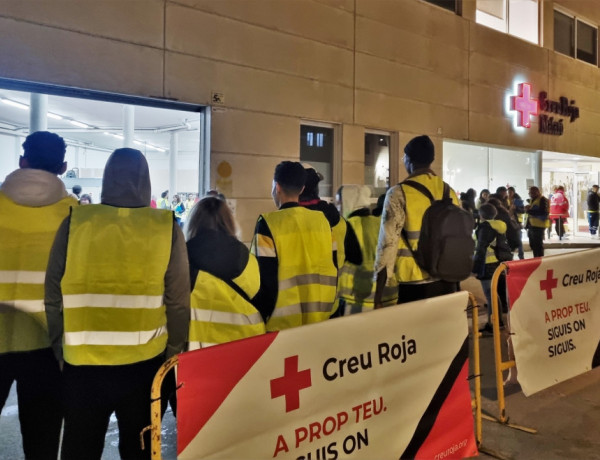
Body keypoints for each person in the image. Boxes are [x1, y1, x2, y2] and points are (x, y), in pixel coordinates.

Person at [45, 148, 190, 460]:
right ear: (147, 182)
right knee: (139, 449)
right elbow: (178, 302)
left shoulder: (74, 224)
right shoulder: (166, 228)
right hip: (145, 365)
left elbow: (53, 295)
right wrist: (174, 353)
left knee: (80, 447)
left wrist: (58, 347)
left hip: (82, 365)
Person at [0, 131, 77, 460]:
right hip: (49, 344)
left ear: (21, 161)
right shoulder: (75, 214)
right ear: (63, 167)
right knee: (43, 441)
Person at [373, 135, 461, 307]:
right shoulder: (448, 191)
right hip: (447, 280)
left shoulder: (398, 193)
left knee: (413, 333)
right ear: (432, 159)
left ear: (408, 159)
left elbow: (387, 243)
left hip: (414, 283)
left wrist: (378, 294)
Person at [250, 161, 337, 330]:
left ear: (277, 187)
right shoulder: (323, 222)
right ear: (302, 189)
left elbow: (264, 278)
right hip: (321, 318)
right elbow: (334, 266)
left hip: (281, 324)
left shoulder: (268, 224)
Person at [185, 197, 264, 349]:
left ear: (194, 222)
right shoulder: (247, 258)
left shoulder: (183, 258)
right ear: (229, 222)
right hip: (246, 343)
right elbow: (256, 293)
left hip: (200, 346)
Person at [298, 168, 361, 317]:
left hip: (295, 306)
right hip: (330, 302)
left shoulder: (288, 219)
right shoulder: (337, 220)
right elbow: (356, 256)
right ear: (317, 189)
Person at [337, 185, 396, 314]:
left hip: (356, 298)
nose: (338, 206)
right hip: (387, 296)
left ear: (348, 202)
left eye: (340, 202)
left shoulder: (347, 226)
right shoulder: (380, 223)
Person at [472, 204, 509, 333]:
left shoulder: (484, 228)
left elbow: (481, 248)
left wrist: (475, 267)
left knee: (490, 295)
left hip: (487, 265)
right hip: (498, 263)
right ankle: (497, 322)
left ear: (481, 215)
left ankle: (494, 324)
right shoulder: (499, 225)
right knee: (494, 294)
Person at [525, 186, 549, 258]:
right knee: (533, 245)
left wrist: (529, 210)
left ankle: (540, 259)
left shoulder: (542, 200)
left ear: (538, 192)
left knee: (538, 245)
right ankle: (536, 258)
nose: (531, 194)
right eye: (530, 192)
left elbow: (543, 212)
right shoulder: (533, 200)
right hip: (532, 226)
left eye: (533, 192)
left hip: (539, 226)